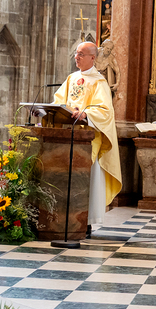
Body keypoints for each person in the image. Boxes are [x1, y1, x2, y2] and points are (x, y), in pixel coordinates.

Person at [53, 42, 122, 225]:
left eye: (81, 54)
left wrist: (86, 114)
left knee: (87, 180)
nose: (76, 57)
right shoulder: (71, 78)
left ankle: (86, 221)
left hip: (88, 139)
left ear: (93, 58)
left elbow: (105, 111)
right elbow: (58, 102)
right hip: (68, 137)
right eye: (76, 53)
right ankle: (65, 219)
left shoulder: (99, 82)